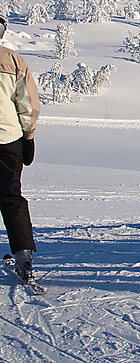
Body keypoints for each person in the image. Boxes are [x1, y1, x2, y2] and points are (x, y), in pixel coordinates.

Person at [0, 16, 40, 281]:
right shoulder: (12, 60)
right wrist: (28, 135)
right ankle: (23, 254)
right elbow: (27, 103)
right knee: (11, 197)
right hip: (8, 138)